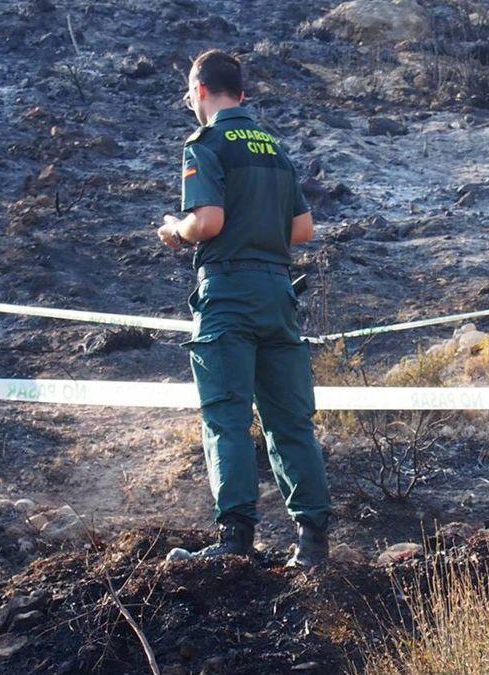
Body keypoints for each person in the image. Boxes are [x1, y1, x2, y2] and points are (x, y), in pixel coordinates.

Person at [157, 50, 332, 568]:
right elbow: (303, 230)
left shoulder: (205, 144)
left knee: (227, 417)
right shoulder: (275, 149)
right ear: (243, 94)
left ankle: (235, 541)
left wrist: (175, 230)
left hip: (228, 295)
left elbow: (206, 221)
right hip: (278, 294)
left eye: (190, 93)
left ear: (200, 90)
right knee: (290, 421)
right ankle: (313, 543)